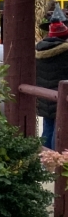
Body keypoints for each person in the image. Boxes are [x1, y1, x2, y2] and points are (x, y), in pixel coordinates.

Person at [35, 19, 68, 149]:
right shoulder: (65, 53)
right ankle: (56, 159)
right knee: (59, 129)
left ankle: (45, 159)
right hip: (60, 95)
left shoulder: (39, 50)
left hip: (44, 95)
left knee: (48, 126)